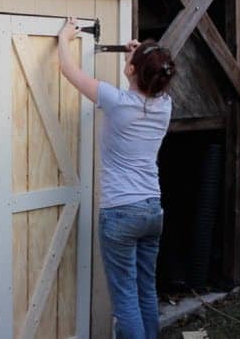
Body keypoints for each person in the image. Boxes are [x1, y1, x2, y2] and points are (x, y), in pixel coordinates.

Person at [57, 17, 175, 339]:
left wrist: (64, 39)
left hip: (121, 214)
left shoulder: (117, 101)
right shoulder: (164, 106)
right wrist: (137, 59)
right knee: (145, 292)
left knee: (125, 303)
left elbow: (69, 71)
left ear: (135, 71)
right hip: (152, 211)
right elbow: (144, 90)